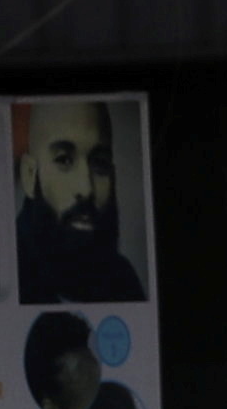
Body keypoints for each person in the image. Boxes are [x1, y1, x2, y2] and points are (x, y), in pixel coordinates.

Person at [15, 98, 149, 306]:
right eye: (64, 160)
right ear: (29, 175)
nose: (86, 189)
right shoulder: (7, 273)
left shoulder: (123, 281)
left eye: (100, 163)